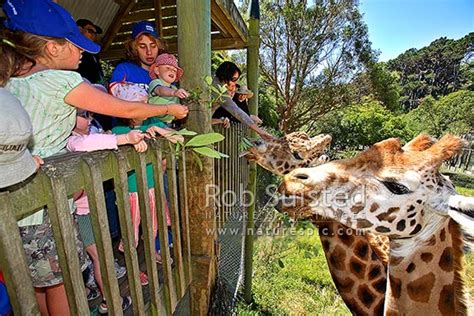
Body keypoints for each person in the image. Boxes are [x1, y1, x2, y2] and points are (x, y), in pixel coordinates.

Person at [1, 0, 188, 314]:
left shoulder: (15, 81)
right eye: (76, 46)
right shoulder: (62, 81)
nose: (83, 53)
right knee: (62, 282)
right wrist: (167, 109)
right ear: (51, 48)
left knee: (36, 284)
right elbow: (125, 109)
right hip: (46, 206)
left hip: (18, 201)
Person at [67, 110, 146, 313]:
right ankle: (112, 302)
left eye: (89, 115)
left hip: (89, 210)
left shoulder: (82, 137)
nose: (90, 119)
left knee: (96, 257)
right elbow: (86, 144)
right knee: (101, 258)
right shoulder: (73, 142)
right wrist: (124, 138)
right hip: (82, 214)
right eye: (83, 115)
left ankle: (97, 294)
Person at [212, 61, 273, 140]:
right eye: (233, 79)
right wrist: (260, 132)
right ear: (224, 76)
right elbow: (237, 112)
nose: (235, 83)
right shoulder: (218, 89)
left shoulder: (218, 85)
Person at [148, 53, 189, 124]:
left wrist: (181, 113)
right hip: (152, 120)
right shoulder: (155, 83)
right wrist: (174, 93)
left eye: (174, 70)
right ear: (157, 70)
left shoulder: (174, 88)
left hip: (168, 122)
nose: (172, 71)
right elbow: (160, 90)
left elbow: (176, 105)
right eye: (168, 68)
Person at [76, 19, 104, 84]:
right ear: (79, 29)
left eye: (95, 33)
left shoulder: (94, 53)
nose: (93, 35)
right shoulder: (73, 49)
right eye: (90, 31)